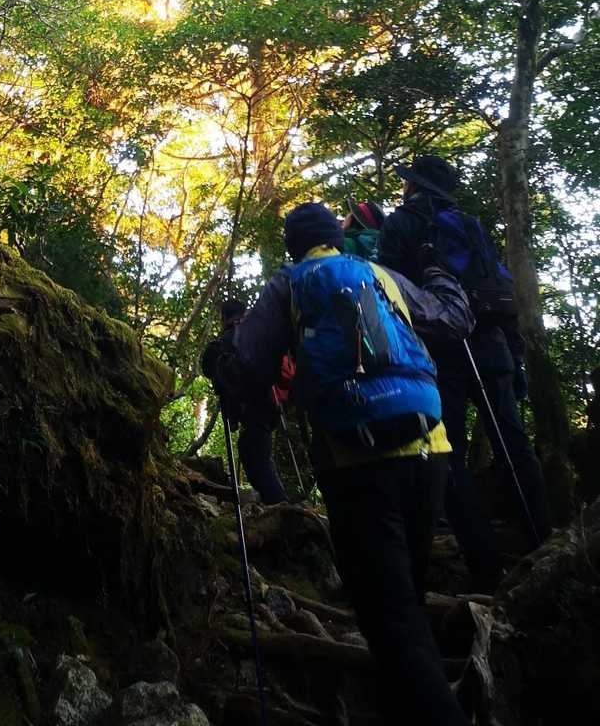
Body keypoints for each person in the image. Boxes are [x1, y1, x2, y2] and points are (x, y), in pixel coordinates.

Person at [219, 202, 473, 726]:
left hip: (356, 459)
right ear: (336, 237)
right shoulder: (381, 274)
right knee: (406, 598)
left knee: (388, 615)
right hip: (430, 447)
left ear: (293, 245)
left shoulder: (290, 282)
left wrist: (221, 360)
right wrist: (437, 270)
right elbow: (453, 319)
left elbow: (251, 364)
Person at [379, 155, 551, 586]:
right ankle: (544, 542)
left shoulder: (401, 224)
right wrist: (515, 357)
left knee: (449, 454)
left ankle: (484, 565)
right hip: (492, 345)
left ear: (413, 186)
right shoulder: (469, 225)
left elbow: (391, 294)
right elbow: (497, 285)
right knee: (513, 442)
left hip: (440, 353)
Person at [202, 300, 289, 504]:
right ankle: (279, 506)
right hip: (273, 404)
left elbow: (208, 366)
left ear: (224, 317)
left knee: (255, 456)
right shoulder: (259, 336)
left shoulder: (225, 342)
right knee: (255, 453)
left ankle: (283, 509)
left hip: (253, 408)